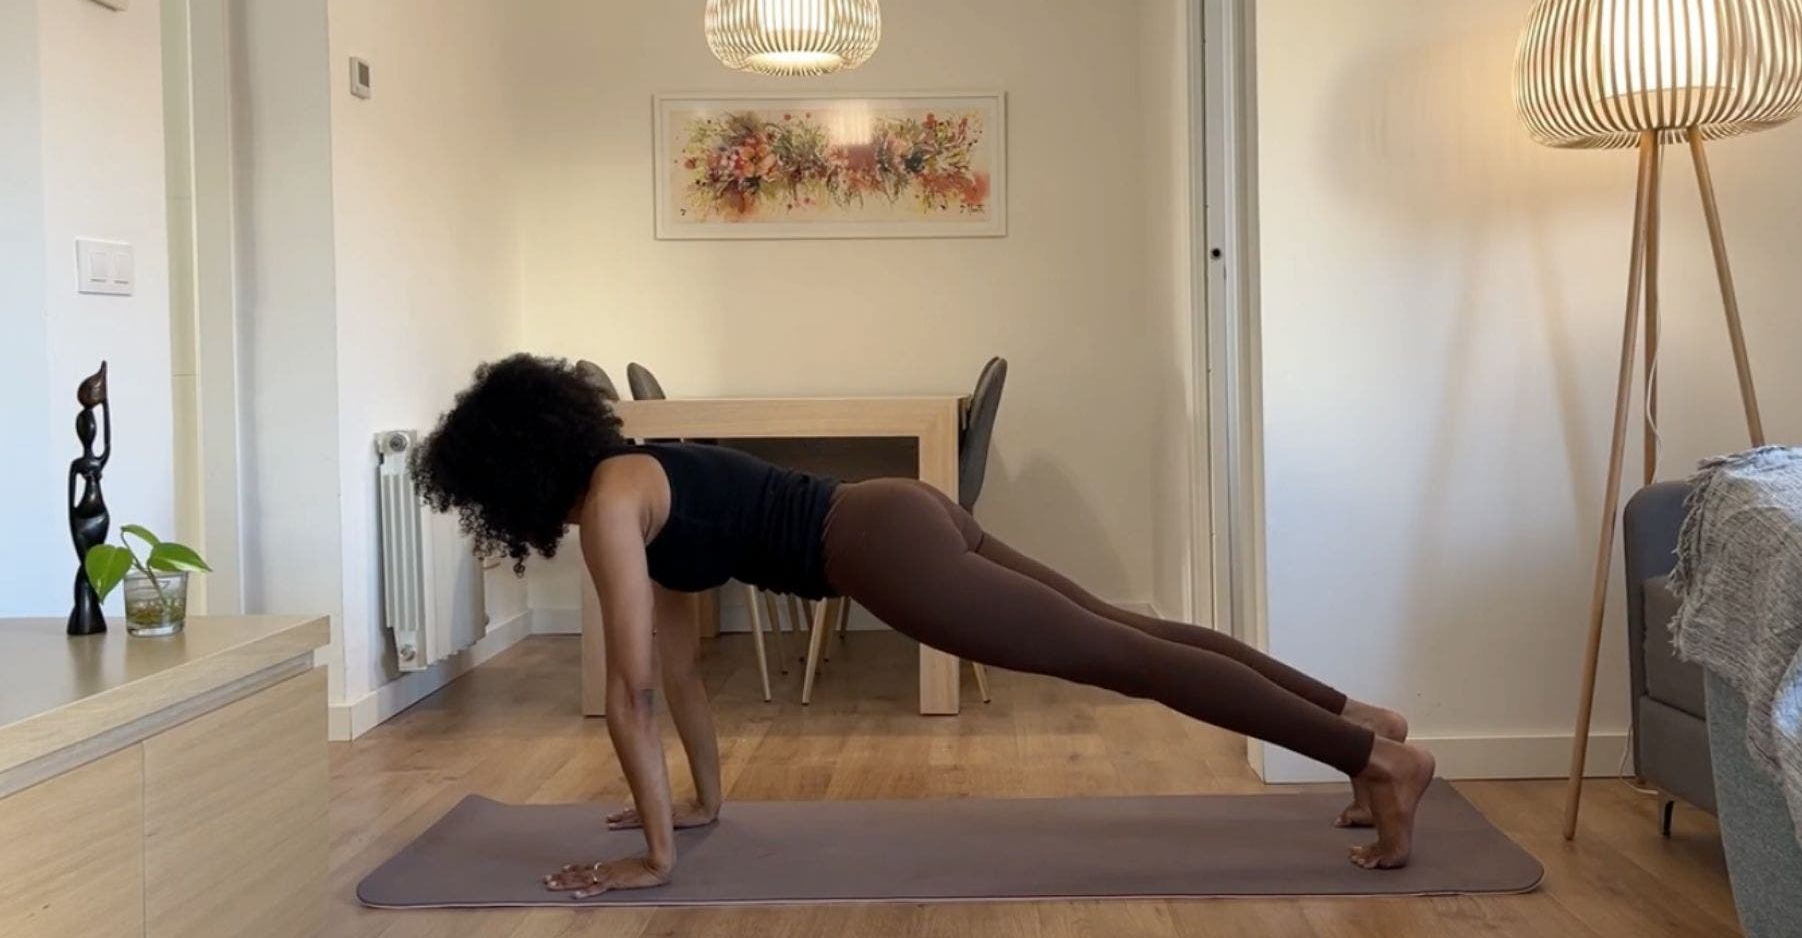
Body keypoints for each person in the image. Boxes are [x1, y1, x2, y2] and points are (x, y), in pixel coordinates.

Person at [413, 354, 1436, 898]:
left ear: (505, 477)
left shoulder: (607, 510)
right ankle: (1366, 728)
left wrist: (654, 864)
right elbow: (676, 676)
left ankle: (1373, 760)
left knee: (1126, 657)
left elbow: (626, 691)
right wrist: (695, 809)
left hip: (883, 552)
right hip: (898, 510)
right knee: (1131, 632)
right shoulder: (640, 482)